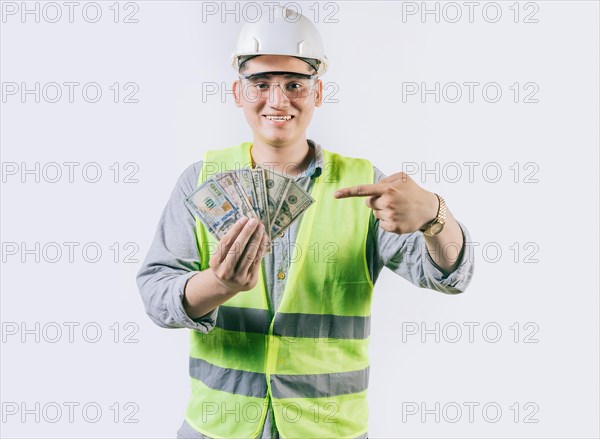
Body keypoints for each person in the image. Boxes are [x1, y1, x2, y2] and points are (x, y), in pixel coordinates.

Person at [137, 6, 474, 439]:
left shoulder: (366, 185)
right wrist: (217, 286)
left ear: (318, 94)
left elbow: (449, 278)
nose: (277, 101)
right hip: (217, 428)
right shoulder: (202, 180)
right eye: (261, 84)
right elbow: (155, 295)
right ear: (238, 93)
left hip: (329, 431)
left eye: (295, 85)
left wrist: (434, 216)